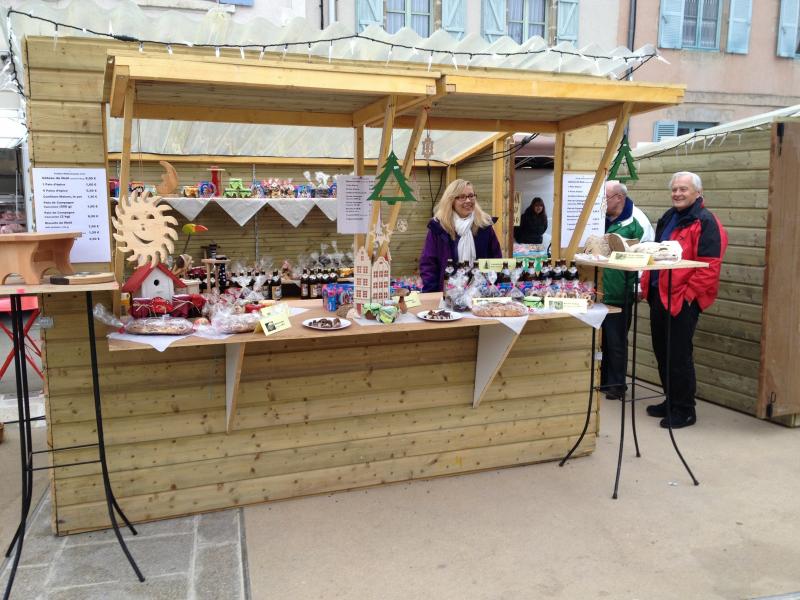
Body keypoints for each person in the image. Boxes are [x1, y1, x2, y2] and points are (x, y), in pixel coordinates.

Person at [641, 171, 728, 429]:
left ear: (698, 193)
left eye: (683, 189)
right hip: (660, 294)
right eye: (674, 189)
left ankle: (685, 409)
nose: (677, 193)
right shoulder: (669, 217)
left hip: (682, 299)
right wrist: (647, 284)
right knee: (662, 351)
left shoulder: (706, 222)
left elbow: (710, 266)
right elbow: (657, 253)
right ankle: (671, 400)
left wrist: (688, 296)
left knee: (678, 355)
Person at [601, 180, 654, 400]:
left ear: (619, 198)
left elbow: (648, 254)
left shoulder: (638, 221)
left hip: (620, 291)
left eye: (605, 199)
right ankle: (603, 379)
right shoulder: (601, 218)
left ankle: (617, 384)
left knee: (616, 340)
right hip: (598, 290)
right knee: (602, 339)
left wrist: (639, 286)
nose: (602, 203)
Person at [419, 179, 502, 292]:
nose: (468, 200)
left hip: (480, 293)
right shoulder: (439, 228)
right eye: (462, 197)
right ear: (451, 200)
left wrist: (493, 289)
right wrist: (431, 293)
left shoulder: (484, 226)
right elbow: (429, 264)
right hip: (447, 293)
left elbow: (496, 259)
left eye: (471, 196)